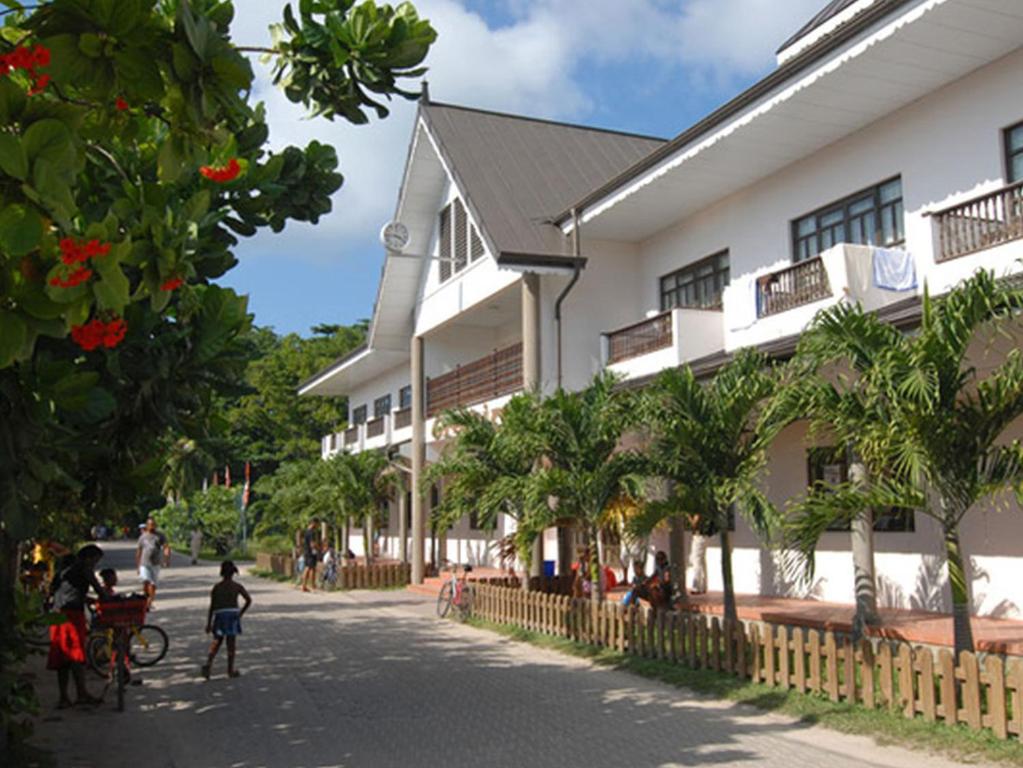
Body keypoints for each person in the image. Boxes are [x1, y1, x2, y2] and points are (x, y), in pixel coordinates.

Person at [48, 545, 105, 708]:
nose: (95, 564)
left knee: (61, 658)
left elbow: (61, 591)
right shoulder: (84, 569)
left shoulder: (64, 570)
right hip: (71, 616)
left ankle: (64, 697)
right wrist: (110, 600)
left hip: (56, 614)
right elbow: (100, 591)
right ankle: (82, 694)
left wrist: (86, 599)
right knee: (76, 655)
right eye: (95, 560)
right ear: (88, 558)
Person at [202, 561, 252, 680]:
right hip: (232, 616)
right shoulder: (237, 586)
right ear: (233, 573)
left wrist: (209, 623)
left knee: (217, 641)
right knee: (231, 644)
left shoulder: (217, 587)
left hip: (220, 615)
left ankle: (208, 664)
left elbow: (212, 607)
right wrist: (240, 613)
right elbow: (248, 600)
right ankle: (230, 670)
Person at [136, 518, 170, 608]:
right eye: (150, 524)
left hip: (155, 564)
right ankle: (146, 598)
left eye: (153, 524)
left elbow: (166, 547)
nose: (152, 526)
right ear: (147, 526)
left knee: (153, 584)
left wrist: (166, 559)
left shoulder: (160, 536)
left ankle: (149, 601)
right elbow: (139, 551)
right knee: (146, 581)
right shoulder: (143, 537)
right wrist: (138, 566)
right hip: (144, 563)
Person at [300, 519, 320, 593]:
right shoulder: (311, 532)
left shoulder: (306, 532)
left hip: (306, 552)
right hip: (311, 553)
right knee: (311, 569)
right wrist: (318, 548)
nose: (318, 526)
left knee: (307, 568)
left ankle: (304, 586)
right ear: (313, 523)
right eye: (317, 524)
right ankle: (312, 586)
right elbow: (312, 544)